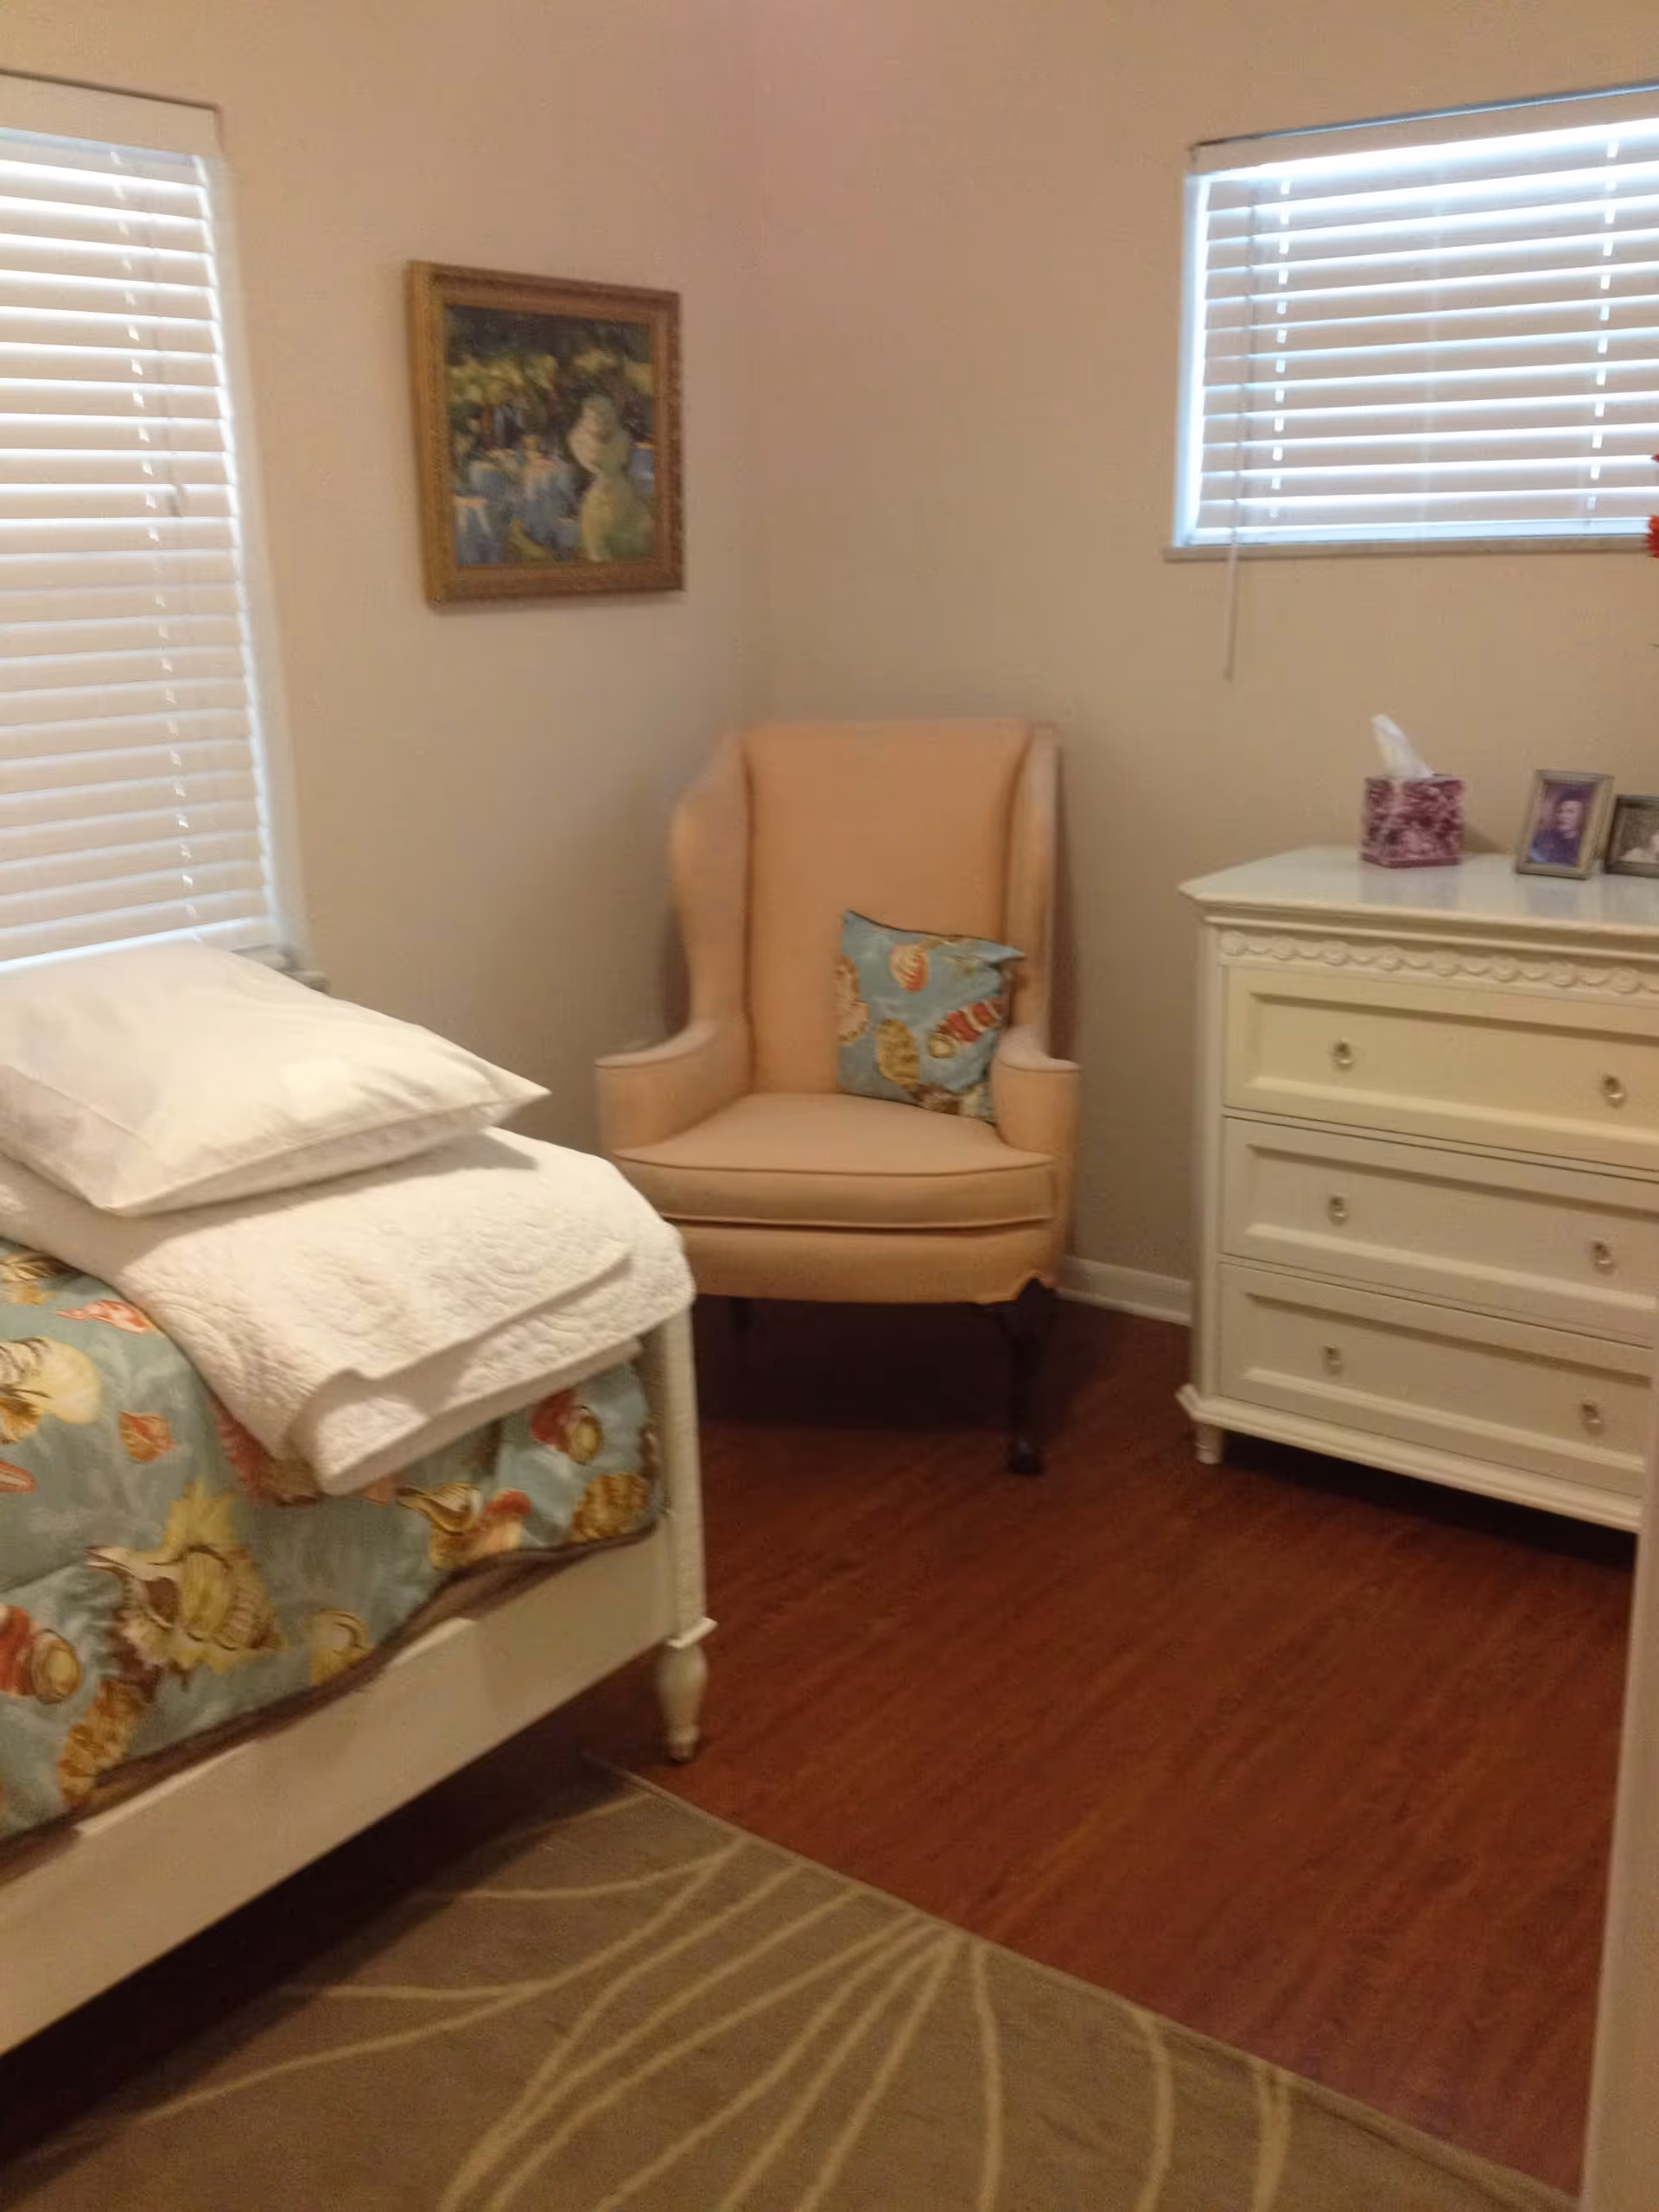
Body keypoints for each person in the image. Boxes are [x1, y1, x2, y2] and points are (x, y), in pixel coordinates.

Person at [1529, 787, 1591, 868]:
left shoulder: (1585, 845)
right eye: (1560, 811)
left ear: (1581, 816)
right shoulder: (1541, 839)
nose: (1563, 816)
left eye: (1570, 812)